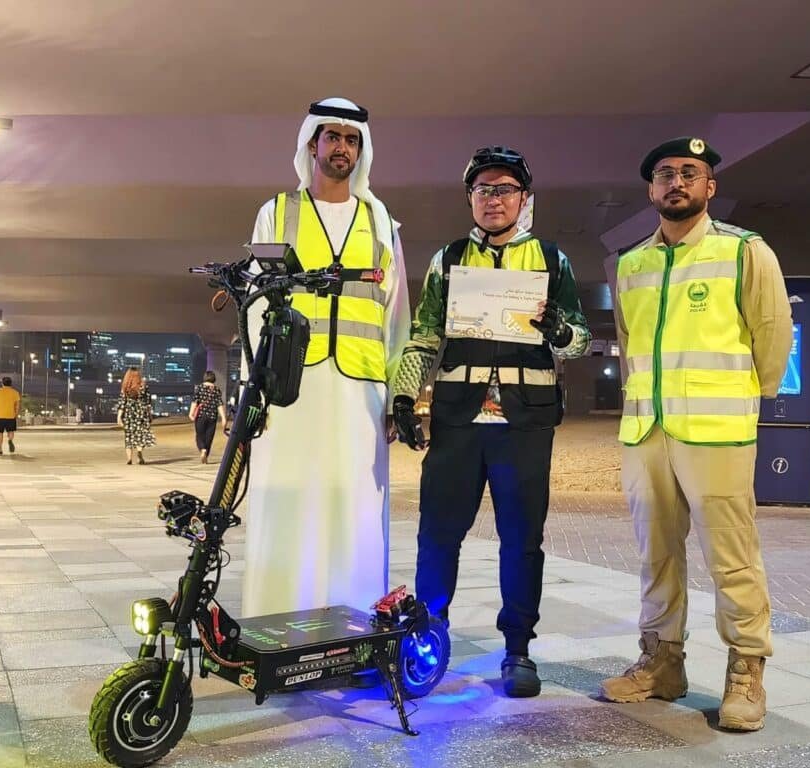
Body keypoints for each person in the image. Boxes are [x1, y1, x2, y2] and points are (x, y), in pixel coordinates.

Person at [600, 137, 793, 732]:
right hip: (647, 431)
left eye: (691, 173)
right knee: (655, 556)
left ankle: (746, 669)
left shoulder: (744, 252)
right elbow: (630, 348)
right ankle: (663, 662)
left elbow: (772, 334)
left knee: (732, 558)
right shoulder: (630, 265)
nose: (676, 182)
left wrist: (744, 400)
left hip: (716, 431)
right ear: (650, 190)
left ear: (710, 187)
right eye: (665, 174)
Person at [390, 146, 590, 698]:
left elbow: (581, 339)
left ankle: (518, 649)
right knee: (438, 535)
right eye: (483, 190)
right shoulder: (448, 259)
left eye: (504, 189)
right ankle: (428, 635)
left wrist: (559, 333)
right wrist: (405, 395)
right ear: (470, 199)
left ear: (524, 198)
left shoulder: (552, 259)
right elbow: (426, 334)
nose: (493, 199)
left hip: (525, 424)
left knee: (522, 540)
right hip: (458, 418)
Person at [242, 97, 410, 619]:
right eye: (332, 136)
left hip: (361, 391)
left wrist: (396, 394)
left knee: (354, 510)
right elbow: (253, 306)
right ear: (311, 143)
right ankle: (276, 623)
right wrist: (257, 389)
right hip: (289, 387)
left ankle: (353, 628)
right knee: (284, 502)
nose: (342, 147)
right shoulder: (276, 212)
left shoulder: (379, 219)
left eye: (352, 139)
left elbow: (395, 312)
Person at [115, 367, 155, 465]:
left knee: (128, 435)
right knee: (140, 435)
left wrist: (119, 417)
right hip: (141, 412)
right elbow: (148, 402)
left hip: (129, 413)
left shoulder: (125, 387)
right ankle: (140, 453)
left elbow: (122, 402)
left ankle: (129, 458)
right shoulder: (143, 386)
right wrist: (150, 415)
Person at [189, 371, 226, 463]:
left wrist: (191, 413)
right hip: (212, 416)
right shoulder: (216, 390)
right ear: (214, 378)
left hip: (201, 416)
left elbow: (195, 401)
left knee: (200, 436)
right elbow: (219, 404)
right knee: (209, 437)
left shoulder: (199, 388)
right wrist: (223, 417)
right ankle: (206, 454)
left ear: (205, 377)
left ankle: (203, 450)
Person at [0, 376, 21, 455]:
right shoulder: (15, 392)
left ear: (2, 383)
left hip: (0, 416)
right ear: (11, 383)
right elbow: (17, 405)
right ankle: (10, 440)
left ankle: (0, 449)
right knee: (11, 431)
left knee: (0, 433)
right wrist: (16, 414)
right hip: (11, 416)